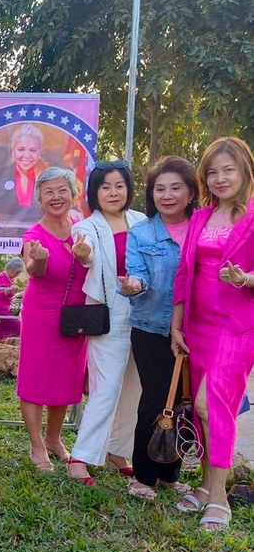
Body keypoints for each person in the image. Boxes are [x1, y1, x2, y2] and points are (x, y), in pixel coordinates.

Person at [172, 137, 254, 530]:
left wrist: (245, 278)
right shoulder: (201, 218)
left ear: (244, 172)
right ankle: (205, 484)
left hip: (237, 326)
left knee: (211, 405)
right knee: (204, 408)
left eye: (228, 170)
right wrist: (176, 324)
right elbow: (184, 272)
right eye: (213, 172)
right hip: (197, 323)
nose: (220, 178)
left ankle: (219, 498)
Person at [119, 157, 198, 501]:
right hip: (151, 328)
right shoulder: (141, 233)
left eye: (175, 188)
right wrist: (134, 284)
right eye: (159, 189)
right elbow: (138, 272)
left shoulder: (203, 228)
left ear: (191, 192)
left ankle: (170, 473)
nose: (167, 195)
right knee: (155, 399)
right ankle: (142, 475)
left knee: (184, 401)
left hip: (197, 329)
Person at [67, 161, 145, 485]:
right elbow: (85, 252)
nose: (113, 193)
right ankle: (80, 457)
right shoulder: (87, 227)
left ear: (129, 188)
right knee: (107, 386)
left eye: (119, 186)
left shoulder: (142, 221)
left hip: (144, 314)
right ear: (94, 192)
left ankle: (117, 451)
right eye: (105, 187)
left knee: (135, 387)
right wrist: (83, 253)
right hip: (108, 315)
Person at [17, 167, 88, 472]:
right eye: (49, 192)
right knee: (36, 378)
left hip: (76, 318)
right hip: (42, 315)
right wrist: (39, 259)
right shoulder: (34, 235)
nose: (56, 197)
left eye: (62, 190)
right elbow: (33, 270)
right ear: (40, 199)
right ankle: (36, 446)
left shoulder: (83, 229)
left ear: (74, 194)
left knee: (65, 379)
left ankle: (54, 439)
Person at [0, 124, 47, 230]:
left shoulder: (48, 179)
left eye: (33, 150)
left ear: (39, 152)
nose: (26, 155)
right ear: (13, 150)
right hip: (5, 236)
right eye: (21, 149)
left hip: (41, 236)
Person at [0, 258, 24, 340]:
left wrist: (12, 292)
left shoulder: (9, 279)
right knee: (18, 325)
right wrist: (8, 291)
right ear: (11, 269)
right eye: (17, 272)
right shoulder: (2, 277)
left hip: (0, 308)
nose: (17, 275)